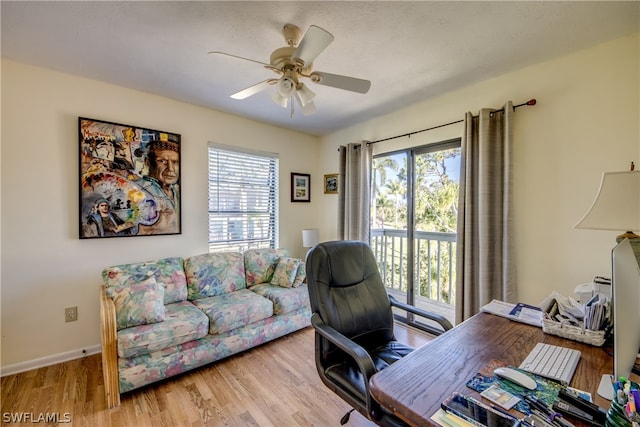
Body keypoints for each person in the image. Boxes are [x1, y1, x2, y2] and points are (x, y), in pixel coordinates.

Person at [136, 139, 180, 235]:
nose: (170, 168)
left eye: (175, 162)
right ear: (148, 163)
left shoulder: (178, 190)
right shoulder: (136, 189)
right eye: (162, 161)